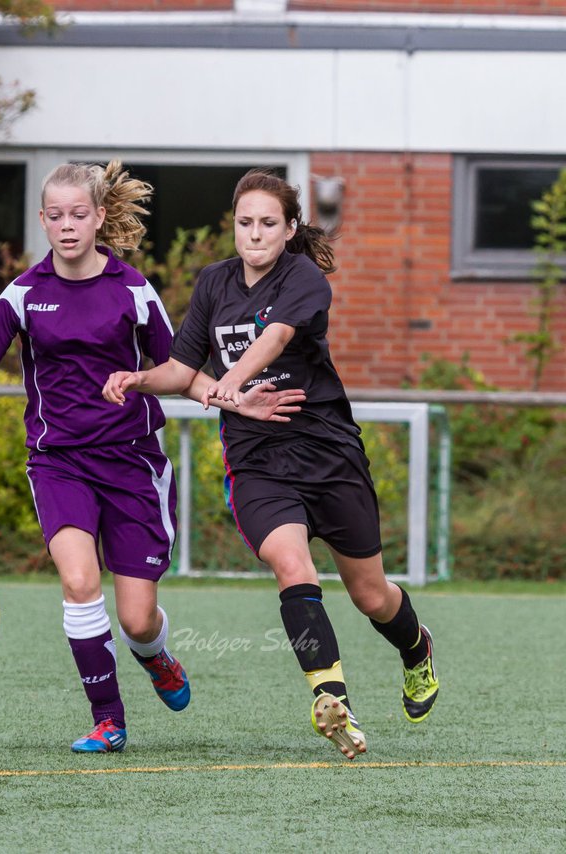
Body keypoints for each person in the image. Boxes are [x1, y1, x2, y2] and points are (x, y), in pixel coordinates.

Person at [0, 161, 301, 754]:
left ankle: (157, 657)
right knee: (79, 582)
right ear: (43, 221)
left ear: (100, 217)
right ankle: (109, 720)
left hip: (133, 465)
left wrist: (233, 399)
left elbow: (180, 373)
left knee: (136, 620)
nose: (67, 225)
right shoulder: (23, 295)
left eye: (79, 214)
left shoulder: (131, 289)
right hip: (58, 462)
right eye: (55, 216)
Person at [102, 169, 440, 760]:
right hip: (257, 460)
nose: (254, 234)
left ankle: (416, 649)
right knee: (292, 563)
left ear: (288, 230)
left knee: (370, 595)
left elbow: (275, 339)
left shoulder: (303, 278)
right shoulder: (214, 283)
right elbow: (183, 370)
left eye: (267, 224)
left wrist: (229, 386)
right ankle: (332, 699)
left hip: (328, 452)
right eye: (244, 223)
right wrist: (139, 380)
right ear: (233, 226)